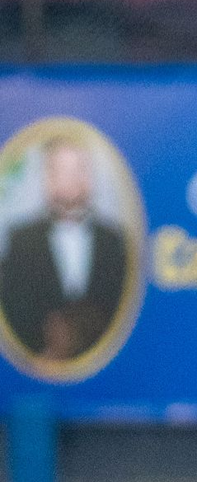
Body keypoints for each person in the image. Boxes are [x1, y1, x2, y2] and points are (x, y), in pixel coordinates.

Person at [0, 137, 127, 360]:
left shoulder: (115, 241)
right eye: (62, 171)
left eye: (80, 169)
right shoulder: (21, 240)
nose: (73, 180)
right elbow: (14, 311)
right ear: (47, 177)